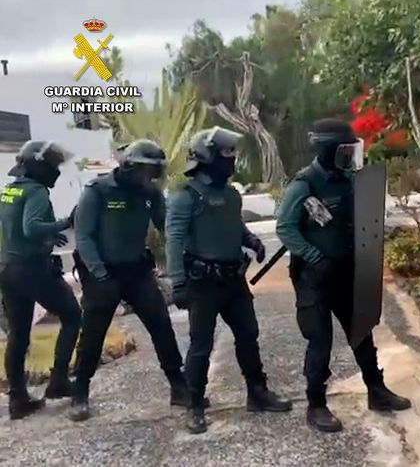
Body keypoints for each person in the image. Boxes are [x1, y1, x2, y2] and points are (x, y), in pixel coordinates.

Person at [276, 118, 411, 433]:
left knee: (362, 331)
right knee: (320, 340)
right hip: (314, 277)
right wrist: (314, 257)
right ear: (327, 150)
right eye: (344, 150)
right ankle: (316, 405)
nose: (350, 156)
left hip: (346, 271)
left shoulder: (351, 180)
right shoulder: (305, 184)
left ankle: (376, 391)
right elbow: (285, 228)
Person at [166, 126, 291, 434]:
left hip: (234, 281)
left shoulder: (231, 194)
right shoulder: (186, 196)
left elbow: (235, 225)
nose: (231, 161)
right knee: (201, 345)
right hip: (203, 284)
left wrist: (252, 240)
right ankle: (195, 405)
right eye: (225, 154)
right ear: (206, 157)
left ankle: (257, 392)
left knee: (248, 335)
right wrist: (177, 282)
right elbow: (174, 240)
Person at [69, 140, 201, 422]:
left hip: (137, 272)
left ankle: (178, 387)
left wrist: (190, 248)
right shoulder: (98, 190)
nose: (151, 177)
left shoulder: (150, 193)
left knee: (161, 326)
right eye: (147, 170)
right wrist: (99, 273)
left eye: (156, 171)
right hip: (102, 274)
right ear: (130, 166)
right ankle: (79, 393)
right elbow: (83, 236)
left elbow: (167, 226)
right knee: (93, 333)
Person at [0, 140, 81, 419]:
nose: (56, 170)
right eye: (53, 165)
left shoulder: (10, 190)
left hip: (8, 269)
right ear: (39, 166)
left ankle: (18, 399)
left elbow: (14, 229)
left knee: (18, 334)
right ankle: (59, 381)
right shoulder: (36, 192)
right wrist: (64, 223)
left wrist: (49, 237)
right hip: (32, 270)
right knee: (72, 316)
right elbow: (31, 228)